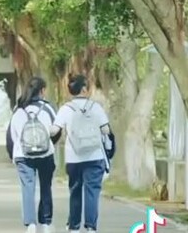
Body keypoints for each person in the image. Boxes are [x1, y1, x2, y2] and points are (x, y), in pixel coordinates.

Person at [51, 75, 112, 233]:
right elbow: (106, 130)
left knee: (75, 191)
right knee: (92, 192)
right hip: (95, 156)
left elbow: (54, 130)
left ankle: (74, 227)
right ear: (84, 89)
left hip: (73, 157)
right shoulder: (95, 107)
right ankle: (91, 226)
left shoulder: (66, 109)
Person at [8, 77, 58, 233]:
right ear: (42, 91)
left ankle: (30, 224)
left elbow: (11, 136)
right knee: (45, 186)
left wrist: (13, 154)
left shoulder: (18, 109)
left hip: (23, 155)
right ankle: (46, 223)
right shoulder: (47, 108)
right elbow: (56, 130)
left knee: (27, 188)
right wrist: (49, 144)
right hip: (45, 154)